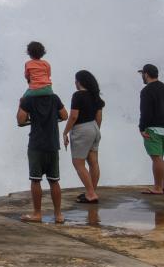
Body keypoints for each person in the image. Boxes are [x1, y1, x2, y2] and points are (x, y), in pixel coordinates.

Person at [17, 89, 68, 223]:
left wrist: (21, 104)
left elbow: (21, 120)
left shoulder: (28, 99)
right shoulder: (54, 98)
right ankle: (58, 215)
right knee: (54, 180)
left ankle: (37, 213)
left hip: (36, 145)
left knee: (35, 180)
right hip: (52, 144)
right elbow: (64, 115)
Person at [62, 70, 105, 204]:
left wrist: (65, 132)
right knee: (93, 162)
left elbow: (74, 116)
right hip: (94, 128)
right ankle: (91, 191)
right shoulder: (95, 96)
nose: (75, 83)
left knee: (78, 162)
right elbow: (99, 117)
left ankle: (91, 194)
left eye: (75, 80)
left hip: (82, 129)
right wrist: (95, 130)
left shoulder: (78, 95)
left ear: (79, 82)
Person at [138, 63, 164, 195]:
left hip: (153, 129)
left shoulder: (147, 90)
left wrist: (142, 128)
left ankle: (158, 188)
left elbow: (145, 112)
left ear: (146, 74)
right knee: (160, 158)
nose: (142, 76)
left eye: (142, 74)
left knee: (156, 159)